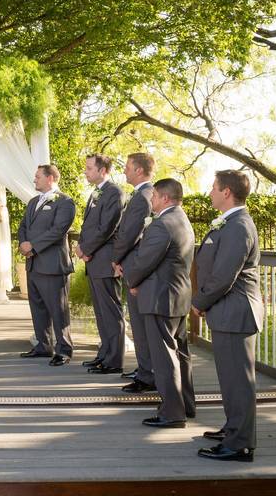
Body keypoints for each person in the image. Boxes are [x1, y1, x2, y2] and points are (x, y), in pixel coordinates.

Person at [192, 170, 263, 462]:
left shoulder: (238, 226)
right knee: (230, 377)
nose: (209, 192)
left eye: (213, 187)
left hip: (235, 311)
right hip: (227, 311)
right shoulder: (230, 222)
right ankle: (234, 428)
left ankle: (240, 445)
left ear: (226, 192)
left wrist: (199, 302)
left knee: (238, 380)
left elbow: (224, 276)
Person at [122, 178, 196, 428]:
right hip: (178, 296)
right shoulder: (182, 219)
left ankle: (172, 413)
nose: (151, 200)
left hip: (159, 297)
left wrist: (132, 280)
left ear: (165, 198)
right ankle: (185, 404)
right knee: (181, 354)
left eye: (154, 196)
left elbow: (144, 260)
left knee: (164, 357)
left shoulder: (162, 224)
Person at [17, 164, 77, 366]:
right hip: (33, 264)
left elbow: (58, 230)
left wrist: (33, 246)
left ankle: (64, 349)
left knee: (58, 309)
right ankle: (43, 345)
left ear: (50, 178)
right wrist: (23, 243)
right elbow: (23, 226)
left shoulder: (65, 202)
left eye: (38, 176)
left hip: (53, 265)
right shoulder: (33, 201)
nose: (35, 180)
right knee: (38, 308)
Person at [111, 153, 157, 393]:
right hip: (133, 265)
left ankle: (147, 375)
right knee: (137, 322)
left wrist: (116, 258)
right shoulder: (142, 195)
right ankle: (144, 367)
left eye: (128, 167)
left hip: (137, 267)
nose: (125, 171)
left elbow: (129, 233)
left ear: (139, 170)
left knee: (140, 324)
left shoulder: (143, 197)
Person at [76, 153, 125, 374]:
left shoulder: (114, 192)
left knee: (111, 313)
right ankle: (104, 354)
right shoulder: (97, 192)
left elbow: (107, 227)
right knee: (101, 312)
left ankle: (114, 361)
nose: (85, 172)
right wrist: (81, 247)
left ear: (102, 170)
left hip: (105, 260)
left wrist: (86, 249)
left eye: (89, 168)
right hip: (94, 261)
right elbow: (90, 226)